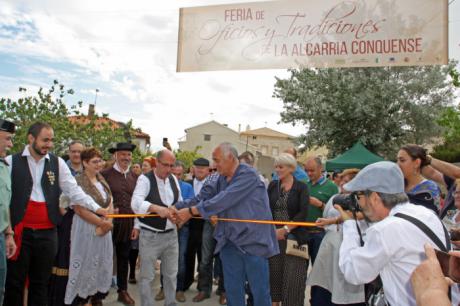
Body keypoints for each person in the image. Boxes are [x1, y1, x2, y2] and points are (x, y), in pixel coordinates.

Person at [4, 122, 108, 306]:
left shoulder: (57, 163)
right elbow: (4, 199)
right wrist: (7, 232)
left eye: (51, 140)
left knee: (42, 282)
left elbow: (74, 191)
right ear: (31, 139)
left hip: (48, 233)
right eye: (45, 140)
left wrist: (96, 208)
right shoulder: (11, 162)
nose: (49, 144)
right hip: (20, 232)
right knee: (14, 283)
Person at [174, 142, 279, 306]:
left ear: (231, 158)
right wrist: (176, 207)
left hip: (254, 244)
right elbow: (202, 197)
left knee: (260, 293)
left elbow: (224, 200)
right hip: (230, 243)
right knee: (232, 292)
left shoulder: (249, 175)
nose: (214, 165)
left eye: (217, 160)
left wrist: (191, 212)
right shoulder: (219, 178)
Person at [337, 161, 450, 306]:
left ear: (374, 197)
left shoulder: (385, 229)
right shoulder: (426, 214)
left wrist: (350, 225)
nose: (359, 204)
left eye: (359, 197)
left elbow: (353, 272)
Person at [307, 168, 366, 306]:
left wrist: (333, 220)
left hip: (349, 246)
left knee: (344, 283)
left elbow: (358, 215)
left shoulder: (362, 201)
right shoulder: (335, 198)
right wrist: (329, 222)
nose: (343, 185)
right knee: (324, 284)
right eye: (342, 181)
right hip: (330, 247)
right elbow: (327, 213)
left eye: (347, 182)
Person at [65, 148, 114, 306]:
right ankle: (81, 298)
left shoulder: (101, 180)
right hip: (86, 227)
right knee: (86, 262)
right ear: (85, 163)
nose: (99, 164)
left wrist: (108, 221)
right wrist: (101, 223)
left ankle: (95, 296)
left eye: (100, 160)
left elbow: (110, 201)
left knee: (100, 262)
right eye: (94, 161)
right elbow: (79, 209)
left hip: (104, 226)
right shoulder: (78, 181)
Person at [131, 149, 181, 306]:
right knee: (147, 277)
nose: (168, 169)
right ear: (156, 163)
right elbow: (135, 203)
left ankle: (170, 303)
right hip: (150, 236)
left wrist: (177, 212)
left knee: (171, 275)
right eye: (165, 165)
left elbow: (180, 200)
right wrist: (155, 208)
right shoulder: (145, 180)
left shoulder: (173, 178)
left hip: (172, 235)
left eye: (171, 165)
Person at [267, 153, 309, 306]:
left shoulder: (302, 187)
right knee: (274, 275)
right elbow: (266, 210)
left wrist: (284, 229)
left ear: (291, 168)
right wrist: (273, 230)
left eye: (281, 167)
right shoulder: (272, 185)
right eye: (276, 166)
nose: (277, 170)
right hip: (274, 238)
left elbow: (302, 213)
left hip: (295, 238)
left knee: (293, 280)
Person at [101, 142, 139, 305]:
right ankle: (98, 294)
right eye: (123, 154)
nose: (126, 157)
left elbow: (138, 203)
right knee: (104, 257)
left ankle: (122, 291)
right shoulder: (104, 174)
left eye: (129, 155)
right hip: (108, 222)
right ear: (115, 155)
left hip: (128, 222)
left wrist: (136, 225)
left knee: (124, 257)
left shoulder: (135, 177)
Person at [180, 158, 210, 298]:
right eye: (197, 168)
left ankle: (203, 288)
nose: (199, 170)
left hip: (205, 224)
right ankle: (186, 282)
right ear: (193, 169)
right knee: (187, 254)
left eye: (202, 168)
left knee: (205, 258)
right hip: (189, 224)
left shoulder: (212, 185)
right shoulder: (187, 184)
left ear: (208, 170)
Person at [304, 157, 339, 265]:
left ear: (320, 168)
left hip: (320, 234)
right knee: (301, 269)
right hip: (303, 233)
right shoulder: (304, 185)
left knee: (319, 268)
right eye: (307, 170)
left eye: (312, 170)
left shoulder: (331, 187)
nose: (309, 173)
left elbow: (336, 213)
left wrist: (320, 205)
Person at [0, 119, 16, 304]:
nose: (11, 144)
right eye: (7, 139)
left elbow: (5, 204)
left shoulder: (4, 166)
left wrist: (9, 234)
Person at [397, 144, 440, 213]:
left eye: (402, 160)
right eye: (397, 160)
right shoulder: (397, 185)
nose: (398, 164)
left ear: (417, 163)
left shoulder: (430, 189)